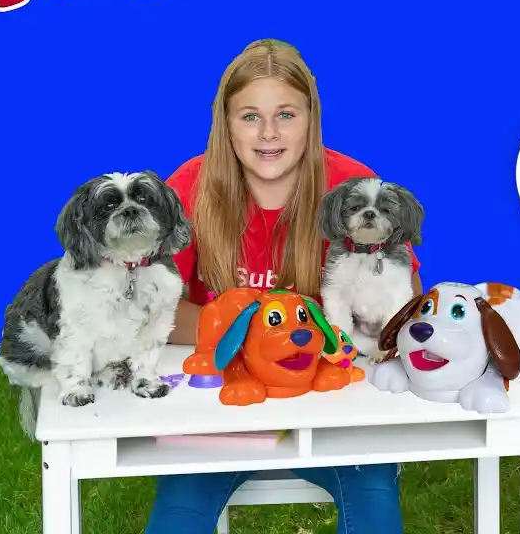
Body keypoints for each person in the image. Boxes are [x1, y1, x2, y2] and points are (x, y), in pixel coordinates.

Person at [145, 39, 421, 534]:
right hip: (218, 401)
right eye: (249, 116)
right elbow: (151, 308)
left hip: (334, 398)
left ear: (311, 119)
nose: (268, 133)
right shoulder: (190, 186)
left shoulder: (352, 185)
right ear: (225, 124)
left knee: (374, 502)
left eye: (286, 115)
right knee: (179, 514)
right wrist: (250, 338)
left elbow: (403, 294)